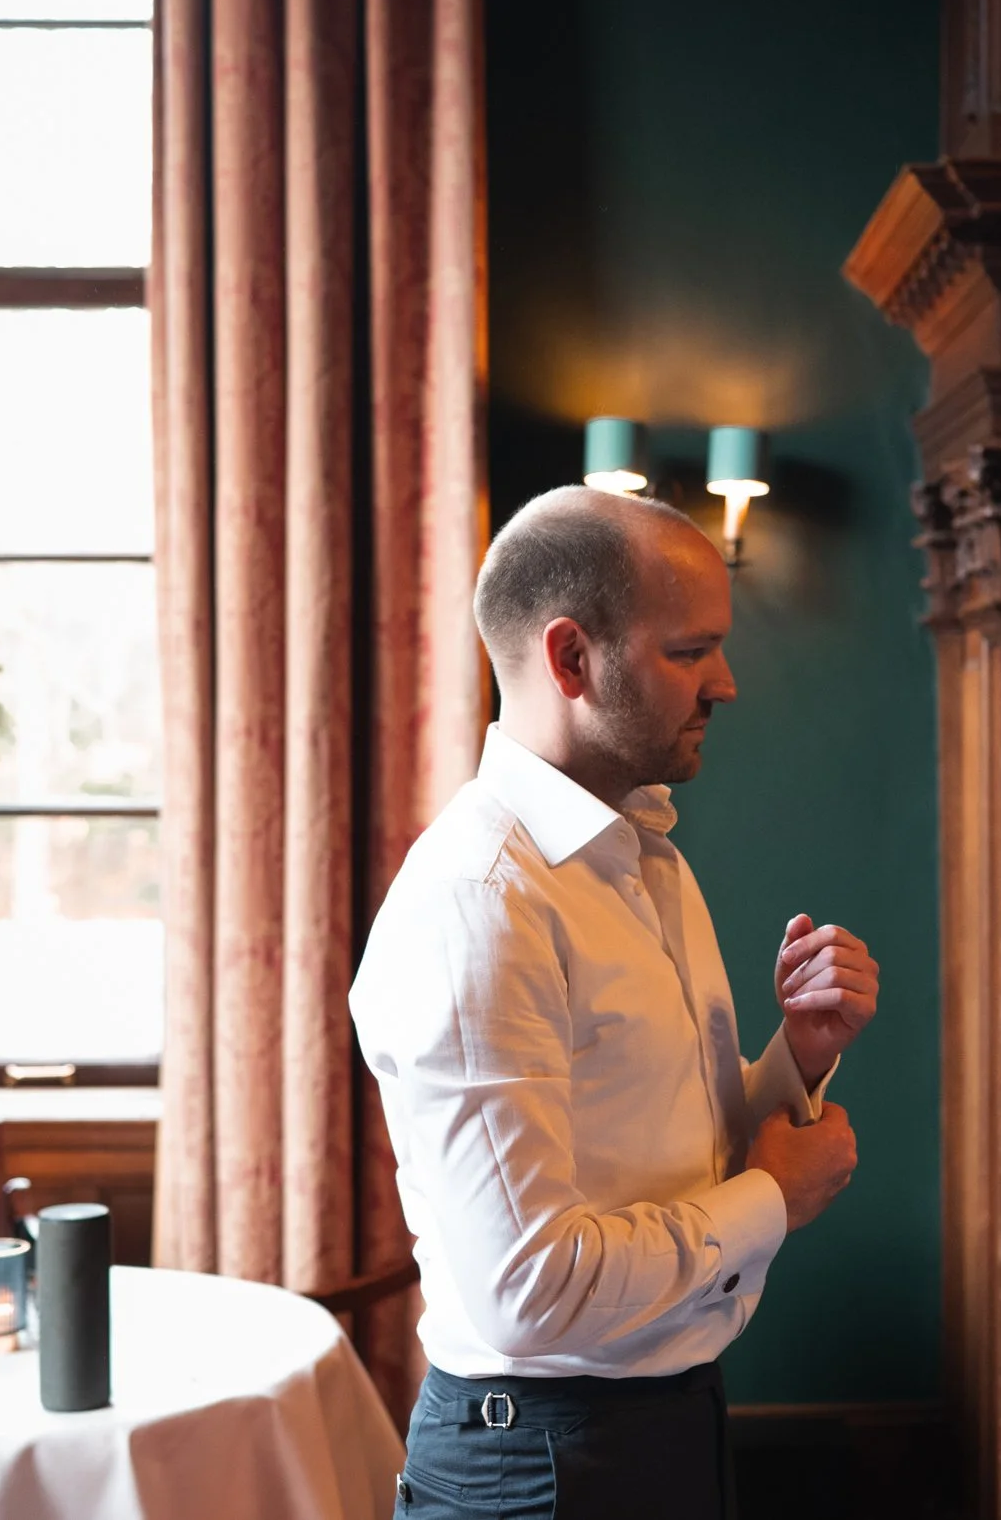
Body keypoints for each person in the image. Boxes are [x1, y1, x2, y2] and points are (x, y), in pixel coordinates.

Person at [349, 485, 882, 1519]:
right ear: (569, 658)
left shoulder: (643, 856)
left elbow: (663, 1141)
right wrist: (772, 1198)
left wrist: (796, 1056)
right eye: (689, 650)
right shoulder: (481, 901)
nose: (725, 681)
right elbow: (528, 1290)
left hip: (659, 1426)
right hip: (541, 1468)